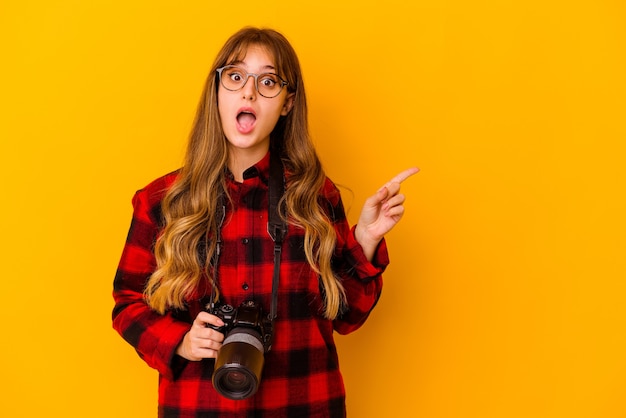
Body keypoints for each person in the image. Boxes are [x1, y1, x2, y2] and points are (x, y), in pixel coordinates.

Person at [112, 27, 418, 418]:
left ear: (288, 103)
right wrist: (182, 342)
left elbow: (347, 317)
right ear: (217, 91)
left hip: (304, 405)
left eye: (268, 81)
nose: (249, 92)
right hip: (198, 408)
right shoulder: (163, 201)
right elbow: (127, 303)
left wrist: (367, 238)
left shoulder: (315, 197)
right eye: (236, 76)